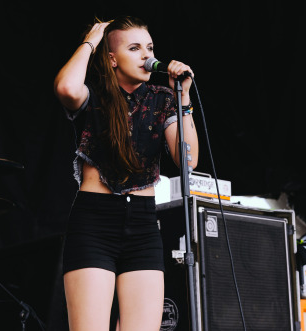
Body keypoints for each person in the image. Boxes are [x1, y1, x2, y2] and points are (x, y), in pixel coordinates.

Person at [53, 15, 198, 331]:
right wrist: (92, 40)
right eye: (134, 48)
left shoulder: (163, 99)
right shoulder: (92, 97)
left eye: (149, 47)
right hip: (94, 222)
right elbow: (65, 86)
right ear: (112, 59)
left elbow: (187, 162)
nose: (147, 56)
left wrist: (183, 97)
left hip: (144, 224)